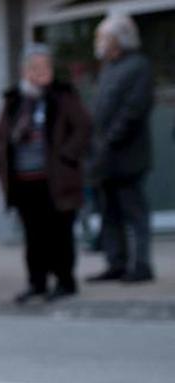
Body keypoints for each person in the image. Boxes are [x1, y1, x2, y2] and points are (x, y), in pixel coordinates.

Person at [0, 44, 92, 303]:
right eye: (33, 67)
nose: (38, 72)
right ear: (24, 71)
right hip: (24, 180)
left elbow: (83, 128)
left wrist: (65, 157)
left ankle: (64, 281)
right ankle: (37, 283)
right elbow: (0, 137)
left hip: (56, 179)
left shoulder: (63, 96)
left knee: (59, 234)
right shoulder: (14, 100)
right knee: (33, 235)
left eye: (43, 67)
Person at [87, 13, 155, 284]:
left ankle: (141, 265)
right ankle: (116, 263)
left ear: (118, 39)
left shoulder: (139, 66)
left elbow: (134, 110)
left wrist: (111, 138)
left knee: (134, 212)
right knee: (109, 212)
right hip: (105, 158)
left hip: (128, 156)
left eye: (104, 37)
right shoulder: (108, 68)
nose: (100, 43)